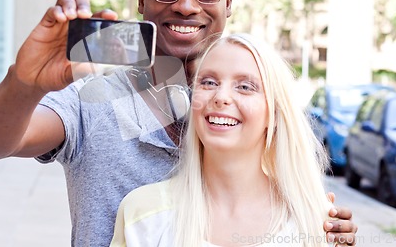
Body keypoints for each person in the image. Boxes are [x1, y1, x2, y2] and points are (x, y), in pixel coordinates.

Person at [0, 0, 357, 246]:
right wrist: (26, 82)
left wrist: (317, 226)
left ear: (228, 1)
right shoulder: (94, 96)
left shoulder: (248, 102)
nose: (186, 5)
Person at [111, 33, 337, 247]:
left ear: (275, 114)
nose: (221, 97)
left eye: (245, 87)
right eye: (209, 82)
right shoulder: (142, 213)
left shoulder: (315, 220)